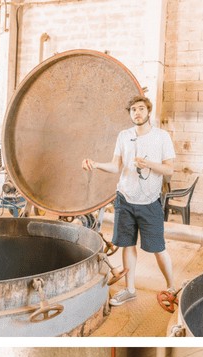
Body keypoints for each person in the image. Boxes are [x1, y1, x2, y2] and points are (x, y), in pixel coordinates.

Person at [82, 95, 176, 307]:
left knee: (158, 248)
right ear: (130, 113)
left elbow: (169, 169)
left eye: (141, 109)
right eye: (133, 109)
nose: (137, 113)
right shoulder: (123, 136)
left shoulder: (161, 137)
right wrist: (95, 164)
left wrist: (149, 164)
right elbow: (116, 166)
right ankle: (130, 289)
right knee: (127, 244)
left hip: (149, 202)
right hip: (125, 198)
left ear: (148, 111)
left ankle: (171, 287)